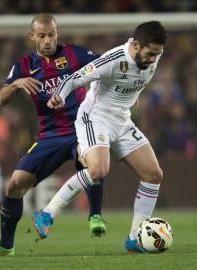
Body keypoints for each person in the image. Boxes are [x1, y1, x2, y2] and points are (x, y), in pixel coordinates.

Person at [0, 13, 106, 257]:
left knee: (93, 163)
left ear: (57, 33)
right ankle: (6, 247)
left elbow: (105, 67)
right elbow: (1, 99)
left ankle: (95, 216)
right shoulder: (24, 65)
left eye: (52, 34)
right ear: (32, 36)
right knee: (14, 185)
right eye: (42, 36)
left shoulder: (74, 53)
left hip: (81, 126)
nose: (47, 40)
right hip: (50, 135)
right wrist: (16, 84)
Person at [46, 21, 167, 253]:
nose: (153, 59)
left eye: (157, 54)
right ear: (136, 45)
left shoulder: (153, 53)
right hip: (96, 116)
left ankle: (134, 240)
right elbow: (72, 79)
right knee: (99, 170)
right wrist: (58, 96)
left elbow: (135, 80)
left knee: (153, 174)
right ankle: (47, 213)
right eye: (150, 54)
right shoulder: (112, 61)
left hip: (122, 120)